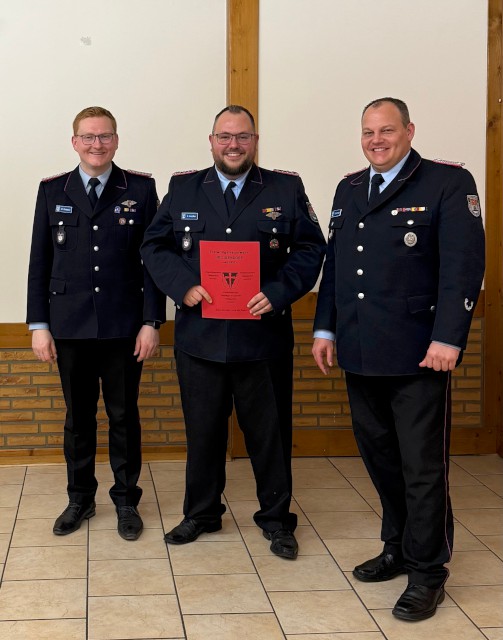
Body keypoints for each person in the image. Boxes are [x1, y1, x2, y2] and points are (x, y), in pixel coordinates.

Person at [312, 97, 485, 619]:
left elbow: (463, 267)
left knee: (422, 468)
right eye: (368, 132)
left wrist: (448, 339)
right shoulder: (349, 188)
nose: (376, 140)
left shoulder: (448, 184)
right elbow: (337, 265)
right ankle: (398, 547)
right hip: (360, 350)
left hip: (420, 354)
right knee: (380, 457)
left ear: (409, 131)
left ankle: (428, 571)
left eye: (386, 130)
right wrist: (325, 327)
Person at [141, 105, 326, 559]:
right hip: (200, 339)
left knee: (269, 436)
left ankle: (277, 520)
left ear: (255, 141)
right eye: (225, 137)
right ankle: (201, 513)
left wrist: (279, 292)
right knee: (203, 433)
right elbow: (154, 244)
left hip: (262, 339)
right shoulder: (184, 187)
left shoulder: (285, 187)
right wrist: (181, 286)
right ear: (211, 141)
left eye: (242, 137)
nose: (233, 145)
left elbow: (310, 248)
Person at [27, 106, 166, 541]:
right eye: (88, 137)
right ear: (74, 142)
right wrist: (38, 324)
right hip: (69, 327)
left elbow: (155, 261)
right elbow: (40, 262)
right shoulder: (53, 190)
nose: (96, 144)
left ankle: (126, 500)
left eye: (104, 136)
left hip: (125, 327)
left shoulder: (140, 190)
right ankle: (80, 498)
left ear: (117, 140)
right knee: (78, 417)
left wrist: (152, 321)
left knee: (124, 416)